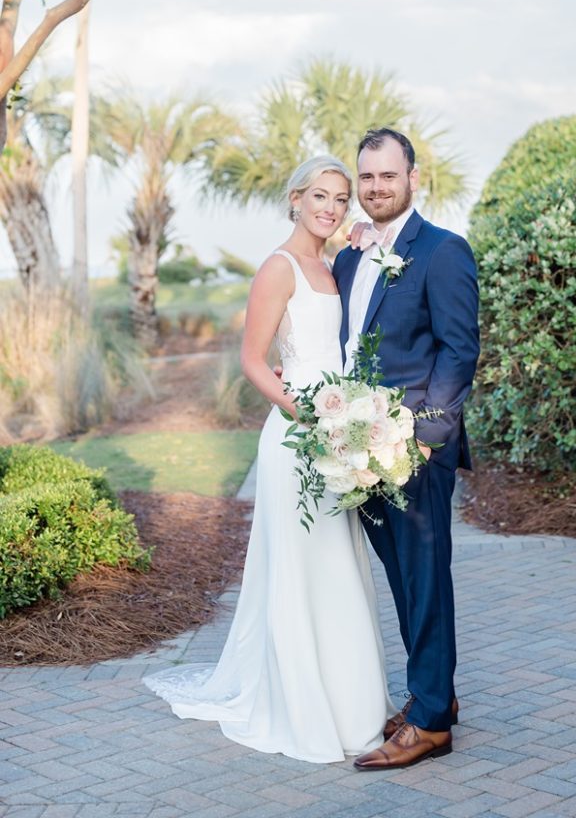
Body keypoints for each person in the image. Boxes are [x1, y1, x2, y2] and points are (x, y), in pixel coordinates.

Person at [143, 155, 392, 764]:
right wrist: (305, 413)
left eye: (340, 199)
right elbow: (254, 360)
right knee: (306, 566)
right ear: (295, 198)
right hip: (299, 436)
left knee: (340, 567)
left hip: (344, 437)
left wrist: (349, 422)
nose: (331, 208)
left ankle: (353, 704)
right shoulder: (278, 269)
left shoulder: (336, 266)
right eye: (321, 197)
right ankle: (307, 707)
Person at [333, 128, 480, 770]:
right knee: (402, 580)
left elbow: (458, 351)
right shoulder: (350, 258)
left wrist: (425, 438)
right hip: (359, 451)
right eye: (366, 178)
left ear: (412, 178)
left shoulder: (445, 251)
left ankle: (430, 726)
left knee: (425, 580)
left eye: (387, 177)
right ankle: (433, 700)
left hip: (416, 453)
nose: (374, 188)